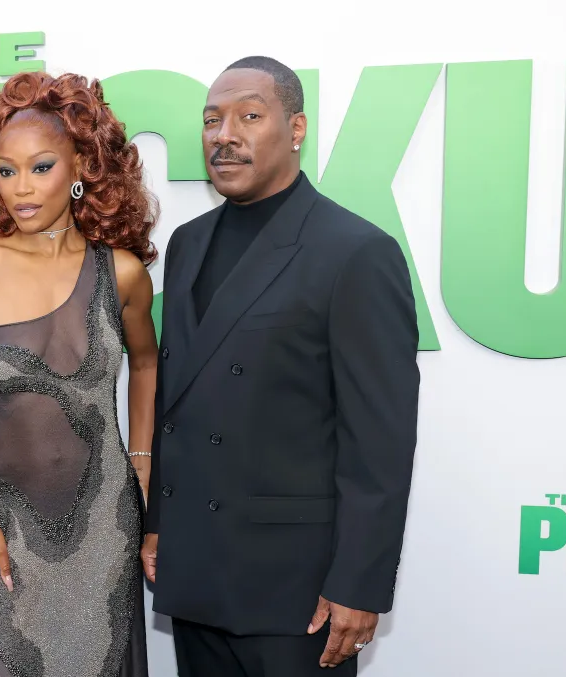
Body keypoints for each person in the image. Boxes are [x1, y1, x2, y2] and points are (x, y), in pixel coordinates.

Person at [140, 56, 421, 676]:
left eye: (249, 115)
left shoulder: (355, 252)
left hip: (298, 592)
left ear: (296, 129)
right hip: (197, 575)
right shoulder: (187, 243)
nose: (224, 134)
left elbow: (380, 440)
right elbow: (174, 402)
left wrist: (360, 583)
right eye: (212, 120)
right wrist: (162, 524)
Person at [0, 71, 160, 677]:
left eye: (40, 167)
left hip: (108, 521)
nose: (20, 189)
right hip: (2, 529)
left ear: (81, 165)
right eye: (6, 171)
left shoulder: (124, 272)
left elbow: (148, 361)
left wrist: (141, 460)